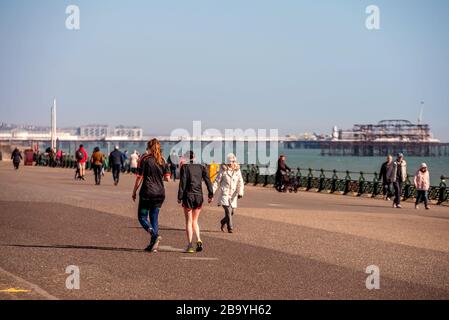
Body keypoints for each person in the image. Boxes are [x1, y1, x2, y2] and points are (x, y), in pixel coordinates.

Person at [132, 139, 166, 253]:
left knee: (142, 217)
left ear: (149, 147)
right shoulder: (162, 160)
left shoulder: (144, 159)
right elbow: (167, 178)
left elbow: (139, 177)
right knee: (154, 218)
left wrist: (134, 191)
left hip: (147, 193)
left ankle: (154, 235)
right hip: (160, 194)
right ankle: (154, 246)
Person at [177, 151, 214, 253]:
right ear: (195, 157)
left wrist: (179, 197)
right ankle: (198, 239)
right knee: (195, 221)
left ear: (186, 158)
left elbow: (182, 183)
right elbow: (208, 181)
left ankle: (189, 246)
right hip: (198, 196)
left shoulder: (185, 167)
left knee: (189, 221)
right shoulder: (202, 167)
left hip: (188, 196)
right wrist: (211, 194)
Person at [213, 153, 244, 233]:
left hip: (233, 194)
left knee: (232, 211)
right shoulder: (223, 170)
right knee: (228, 210)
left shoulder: (237, 170)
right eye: (230, 162)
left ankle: (223, 221)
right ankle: (230, 227)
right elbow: (217, 181)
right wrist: (212, 192)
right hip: (225, 193)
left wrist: (240, 192)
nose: (232, 163)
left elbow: (240, 182)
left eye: (233, 161)